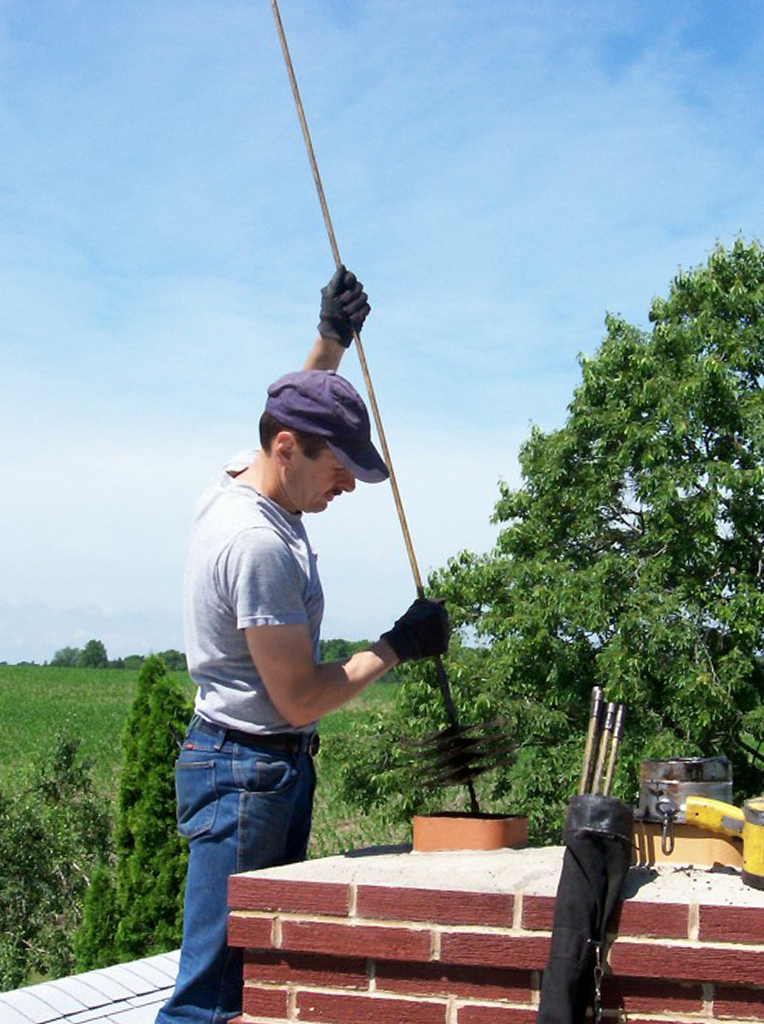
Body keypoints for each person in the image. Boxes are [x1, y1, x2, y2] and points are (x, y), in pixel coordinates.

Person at [155, 266, 450, 1024]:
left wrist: (331, 340)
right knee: (213, 999)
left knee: (257, 979)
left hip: (258, 767)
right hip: (246, 775)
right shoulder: (255, 543)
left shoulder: (239, 479)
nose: (347, 485)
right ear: (289, 451)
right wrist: (395, 646)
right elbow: (300, 696)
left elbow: (284, 409)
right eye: (339, 468)